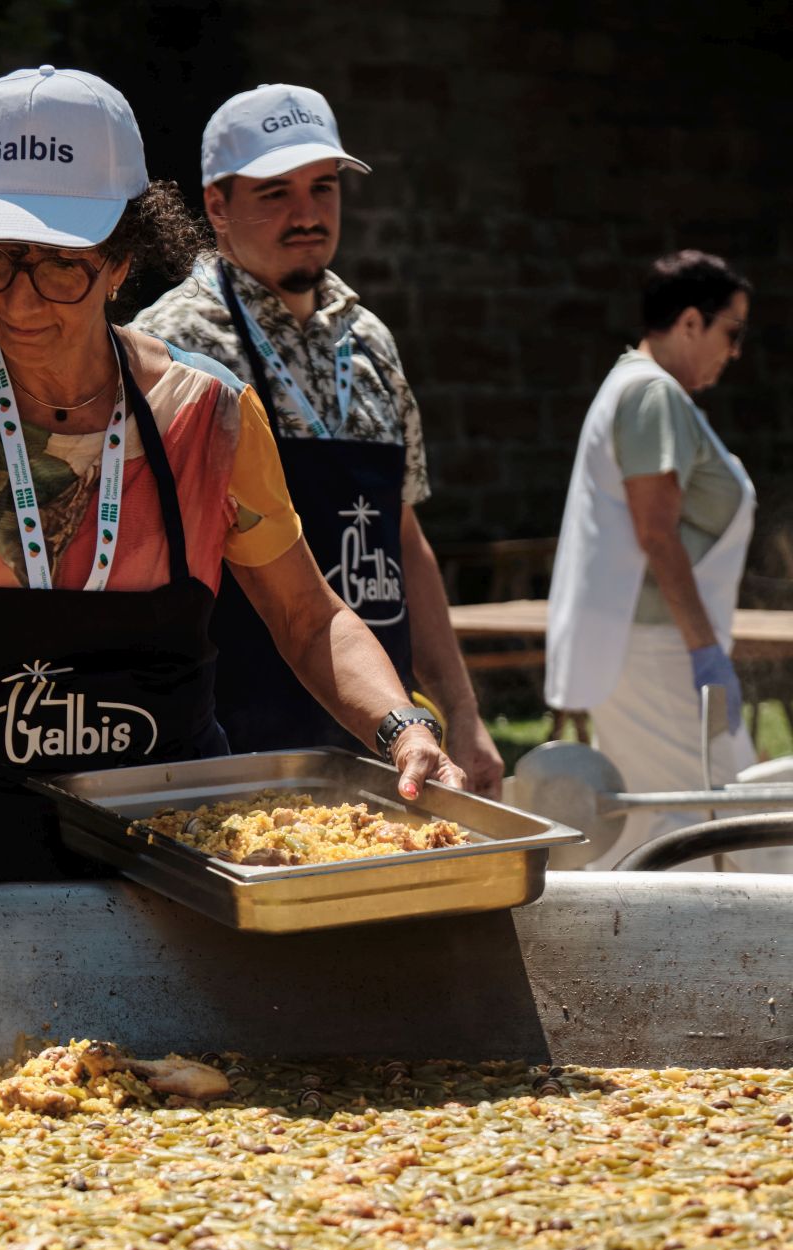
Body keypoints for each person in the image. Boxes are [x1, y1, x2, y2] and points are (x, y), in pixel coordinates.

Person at [0, 66, 465, 904]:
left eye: (59, 265)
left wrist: (404, 729)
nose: (20, 299)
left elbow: (306, 613)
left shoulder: (206, 413)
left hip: (176, 866)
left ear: (121, 260)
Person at [134, 84, 503, 797]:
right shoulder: (169, 344)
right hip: (232, 749)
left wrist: (461, 710)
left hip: (390, 750)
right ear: (216, 206)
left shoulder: (369, 340)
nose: (306, 214)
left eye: (323, 187)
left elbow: (403, 535)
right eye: (275, 193)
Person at [546, 250, 777, 869]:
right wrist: (703, 649)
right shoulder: (651, 392)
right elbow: (657, 533)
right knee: (710, 815)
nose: (734, 352)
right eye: (732, 332)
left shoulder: (640, 387)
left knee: (683, 810)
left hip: (653, 642)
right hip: (658, 647)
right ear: (691, 323)